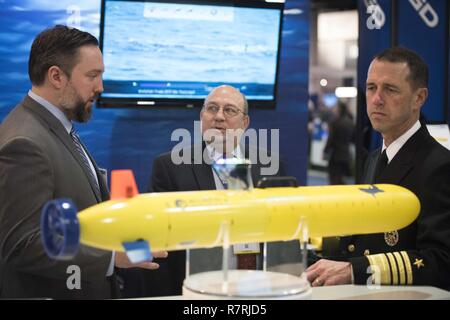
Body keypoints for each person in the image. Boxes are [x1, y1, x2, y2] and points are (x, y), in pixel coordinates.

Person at [0, 25, 166, 299]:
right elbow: (23, 244)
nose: (100, 87)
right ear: (56, 76)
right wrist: (111, 257)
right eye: (92, 76)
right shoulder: (25, 142)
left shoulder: (54, 126)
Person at [120, 85, 286, 297]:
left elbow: (281, 233)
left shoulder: (270, 164)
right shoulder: (170, 166)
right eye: (212, 108)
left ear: (245, 123)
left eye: (229, 110)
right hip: (196, 288)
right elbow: (160, 242)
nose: (218, 117)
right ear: (201, 117)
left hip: (256, 286)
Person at [306, 47, 450, 290]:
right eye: (371, 87)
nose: (376, 99)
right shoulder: (374, 159)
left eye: (390, 89)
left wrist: (355, 270)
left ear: (419, 98)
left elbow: (442, 261)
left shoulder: (439, 166)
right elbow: (363, 241)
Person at [323, 101, 355, 185]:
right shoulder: (350, 122)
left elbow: (330, 139)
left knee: (334, 178)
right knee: (340, 178)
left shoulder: (335, 123)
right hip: (346, 155)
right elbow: (353, 139)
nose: (334, 110)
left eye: (336, 108)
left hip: (335, 156)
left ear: (339, 110)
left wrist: (325, 151)